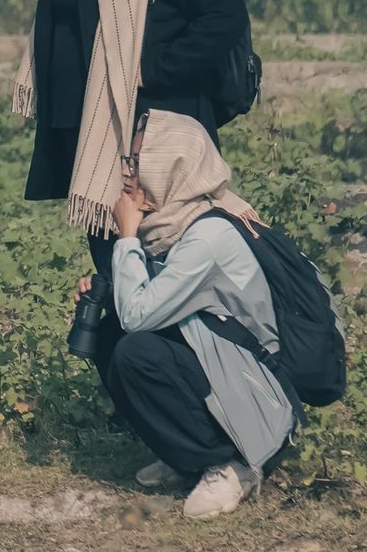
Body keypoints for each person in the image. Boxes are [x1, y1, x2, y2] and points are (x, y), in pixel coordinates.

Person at [13, 0, 253, 380]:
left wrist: (149, 68)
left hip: (151, 139)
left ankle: (189, 410)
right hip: (101, 136)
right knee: (117, 263)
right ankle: (140, 410)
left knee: (159, 268)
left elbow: (224, 16)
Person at [75, 109, 297, 520]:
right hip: (221, 366)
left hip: (256, 396)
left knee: (135, 350)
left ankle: (233, 463)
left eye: (137, 163)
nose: (127, 174)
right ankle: (186, 455)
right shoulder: (174, 222)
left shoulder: (207, 237)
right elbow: (147, 305)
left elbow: (141, 316)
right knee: (110, 336)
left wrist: (125, 238)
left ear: (170, 166)